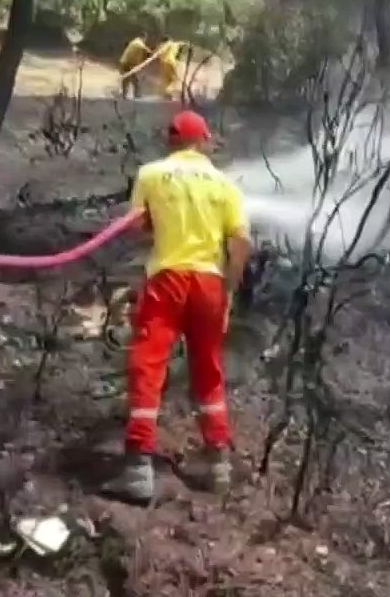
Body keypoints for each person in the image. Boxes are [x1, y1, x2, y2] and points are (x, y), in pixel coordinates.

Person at [103, 109, 253, 502]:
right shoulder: (226, 185)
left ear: (171, 140)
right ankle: (218, 460)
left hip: (167, 279)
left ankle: (138, 468)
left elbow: (137, 226)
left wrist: (164, 224)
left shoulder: (151, 174)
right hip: (209, 283)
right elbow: (240, 245)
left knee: (148, 364)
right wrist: (229, 293)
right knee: (208, 368)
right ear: (204, 141)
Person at [118, 32, 151, 99]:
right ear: (143, 37)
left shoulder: (134, 42)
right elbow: (145, 50)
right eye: (145, 39)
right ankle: (135, 97)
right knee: (133, 81)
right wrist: (151, 53)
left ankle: (125, 96)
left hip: (125, 63)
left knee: (128, 80)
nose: (145, 40)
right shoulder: (138, 42)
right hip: (126, 64)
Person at [154, 35, 186, 100]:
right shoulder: (173, 44)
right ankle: (169, 92)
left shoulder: (161, 46)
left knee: (166, 80)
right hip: (171, 62)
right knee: (174, 79)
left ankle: (167, 94)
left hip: (163, 63)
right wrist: (185, 43)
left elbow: (156, 53)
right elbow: (182, 43)